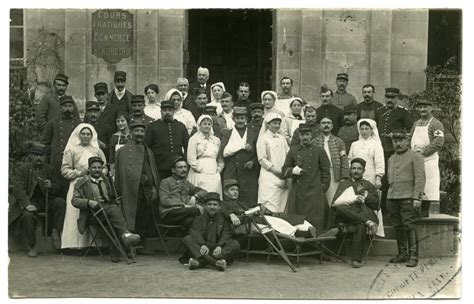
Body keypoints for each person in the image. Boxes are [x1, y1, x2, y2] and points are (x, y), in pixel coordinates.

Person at [71, 156, 140, 263]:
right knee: (114, 211)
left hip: (108, 211)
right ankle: (126, 237)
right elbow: (74, 201)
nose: (97, 170)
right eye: (94, 168)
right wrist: (89, 202)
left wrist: (116, 200)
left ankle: (115, 254)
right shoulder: (82, 182)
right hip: (92, 214)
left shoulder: (106, 180)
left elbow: (112, 196)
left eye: (99, 167)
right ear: (89, 169)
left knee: (115, 220)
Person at [9, 142, 66, 257]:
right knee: (27, 216)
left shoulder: (50, 169)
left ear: (44, 156)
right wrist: (27, 204)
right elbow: (18, 189)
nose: (39, 158)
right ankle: (32, 245)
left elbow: (58, 186)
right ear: (31, 155)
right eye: (36, 155)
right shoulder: (22, 169)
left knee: (61, 203)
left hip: (46, 199)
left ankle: (55, 231)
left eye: (41, 155)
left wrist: (51, 186)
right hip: (31, 200)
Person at [221, 179, 321, 238]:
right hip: (244, 226)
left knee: (282, 218)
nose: (235, 192)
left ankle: (313, 231)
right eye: (232, 190)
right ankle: (299, 233)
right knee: (273, 221)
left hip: (253, 221)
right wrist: (231, 214)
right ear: (225, 192)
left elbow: (249, 208)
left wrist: (259, 207)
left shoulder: (240, 202)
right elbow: (222, 210)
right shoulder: (223, 204)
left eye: (237, 190)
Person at [61, 123, 106, 249]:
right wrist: (80, 173)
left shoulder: (97, 151)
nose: (85, 136)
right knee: (74, 213)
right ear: (78, 135)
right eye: (83, 134)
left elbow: (105, 168)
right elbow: (65, 170)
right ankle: (73, 245)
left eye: (88, 134)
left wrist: (97, 174)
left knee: (92, 210)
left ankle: (93, 245)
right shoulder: (72, 150)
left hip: (94, 185)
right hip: (77, 185)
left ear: (92, 136)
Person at [115, 121, 160, 243]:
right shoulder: (124, 151)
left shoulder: (148, 150)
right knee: (133, 214)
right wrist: (141, 178)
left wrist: (153, 186)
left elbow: (153, 169)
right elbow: (124, 172)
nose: (139, 134)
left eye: (141, 131)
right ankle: (130, 242)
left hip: (147, 190)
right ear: (131, 132)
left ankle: (142, 243)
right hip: (132, 190)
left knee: (144, 216)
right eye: (136, 131)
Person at [386, 130, 425, 267]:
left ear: (407, 141)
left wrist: (417, 197)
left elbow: (420, 178)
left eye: (400, 141)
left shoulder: (415, 156)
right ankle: (403, 254)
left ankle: (413, 256)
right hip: (392, 197)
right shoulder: (391, 159)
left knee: (409, 225)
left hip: (408, 197)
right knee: (398, 226)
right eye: (395, 141)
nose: (398, 144)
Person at [332, 158, 380, 268]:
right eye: (353, 168)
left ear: (363, 170)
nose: (356, 171)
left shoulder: (368, 185)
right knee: (340, 208)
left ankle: (356, 260)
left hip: (363, 213)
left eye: (359, 168)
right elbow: (334, 203)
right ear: (350, 170)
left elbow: (377, 205)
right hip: (346, 215)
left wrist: (366, 198)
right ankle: (368, 222)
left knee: (360, 225)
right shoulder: (344, 184)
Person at [282, 124, 331, 231]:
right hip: (298, 192)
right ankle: (300, 241)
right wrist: (294, 171)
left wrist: (322, 188)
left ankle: (317, 241)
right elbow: (284, 170)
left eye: (307, 134)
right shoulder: (293, 151)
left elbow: (326, 171)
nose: (305, 137)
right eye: (302, 135)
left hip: (315, 192)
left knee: (317, 219)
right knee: (298, 220)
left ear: (311, 136)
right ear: (299, 136)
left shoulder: (319, 151)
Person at [183, 192, 241, 271]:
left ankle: (201, 262)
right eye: (209, 204)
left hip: (217, 249)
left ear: (219, 207)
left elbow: (226, 234)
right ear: (205, 206)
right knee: (187, 239)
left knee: (235, 244)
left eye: (215, 205)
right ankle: (215, 263)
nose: (212, 207)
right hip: (202, 248)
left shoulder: (223, 220)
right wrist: (202, 244)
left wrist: (219, 246)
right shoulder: (199, 219)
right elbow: (195, 233)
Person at [377, 87, 413, 212]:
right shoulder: (379, 111)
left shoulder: (403, 112)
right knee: (382, 178)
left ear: (397, 98)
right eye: (388, 97)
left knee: (393, 178)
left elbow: (410, 131)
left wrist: (397, 134)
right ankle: (382, 208)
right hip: (380, 150)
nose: (390, 100)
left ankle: (392, 208)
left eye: (392, 98)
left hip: (395, 150)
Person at [410, 99, 445, 217]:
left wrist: (424, 151)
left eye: (425, 107)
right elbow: (410, 137)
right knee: (416, 182)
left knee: (428, 184)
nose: (422, 110)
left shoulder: (436, 123)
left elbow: (439, 141)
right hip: (415, 157)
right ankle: (415, 210)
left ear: (431, 108)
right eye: (420, 107)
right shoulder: (416, 123)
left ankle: (424, 211)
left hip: (429, 159)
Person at [41, 95, 82, 197]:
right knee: (58, 189)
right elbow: (45, 142)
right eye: (65, 106)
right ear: (60, 108)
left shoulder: (79, 123)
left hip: (73, 161)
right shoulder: (53, 123)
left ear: (73, 107)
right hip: (57, 161)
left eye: (70, 106)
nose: (68, 108)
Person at [220, 107, 259, 206]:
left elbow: (259, 153)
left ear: (246, 119)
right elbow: (224, 152)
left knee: (248, 197)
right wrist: (241, 146)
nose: (240, 121)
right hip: (231, 170)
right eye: (237, 118)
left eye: (242, 118)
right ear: (233, 119)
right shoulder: (227, 134)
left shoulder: (252, 134)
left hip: (248, 172)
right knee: (230, 196)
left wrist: (253, 162)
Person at [144, 100, 189, 179]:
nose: (167, 112)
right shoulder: (153, 126)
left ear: (174, 111)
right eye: (164, 110)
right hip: (159, 167)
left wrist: (184, 162)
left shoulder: (180, 126)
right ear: (161, 111)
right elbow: (147, 147)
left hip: (178, 167)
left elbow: (187, 146)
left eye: (170, 110)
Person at [159, 157, 207, 230]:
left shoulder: (186, 183)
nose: (184, 170)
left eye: (185, 167)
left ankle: (191, 239)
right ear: (173, 170)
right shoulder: (165, 182)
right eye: (180, 167)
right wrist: (183, 205)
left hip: (184, 213)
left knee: (190, 221)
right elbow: (165, 201)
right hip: (169, 213)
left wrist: (196, 196)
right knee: (195, 210)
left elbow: (204, 192)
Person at [256, 113, 289, 213]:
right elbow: (262, 159)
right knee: (270, 204)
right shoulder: (263, 138)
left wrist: (285, 171)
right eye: (274, 123)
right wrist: (277, 172)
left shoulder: (282, 138)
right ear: (268, 124)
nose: (277, 126)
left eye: (279, 123)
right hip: (269, 176)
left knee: (282, 204)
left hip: (283, 176)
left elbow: (288, 154)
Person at [314, 117, 349, 208]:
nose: (326, 125)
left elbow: (344, 159)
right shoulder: (314, 141)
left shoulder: (339, 141)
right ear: (319, 126)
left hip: (335, 173)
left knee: (334, 199)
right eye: (323, 123)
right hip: (320, 174)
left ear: (332, 126)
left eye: (328, 123)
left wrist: (344, 176)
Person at [187, 115, 225, 196]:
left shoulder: (216, 140)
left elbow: (220, 158)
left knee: (213, 193)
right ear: (199, 125)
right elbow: (191, 157)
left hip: (213, 169)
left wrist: (219, 169)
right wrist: (198, 168)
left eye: (209, 124)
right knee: (201, 193)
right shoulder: (194, 139)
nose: (207, 126)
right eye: (204, 124)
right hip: (199, 170)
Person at [348, 119, 384, 188]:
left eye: (367, 129)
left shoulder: (376, 144)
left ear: (371, 130)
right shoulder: (354, 144)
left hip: (370, 176)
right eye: (362, 129)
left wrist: (378, 178)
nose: (364, 131)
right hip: (355, 176)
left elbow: (380, 162)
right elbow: (350, 160)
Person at [108, 112, 131, 177]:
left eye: (122, 121)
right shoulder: (114, 137)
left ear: (127, 121)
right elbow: (112, 157)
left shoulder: (133, 136)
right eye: (118, 121)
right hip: (119, 169)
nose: (120, 123)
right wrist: (112, 172)